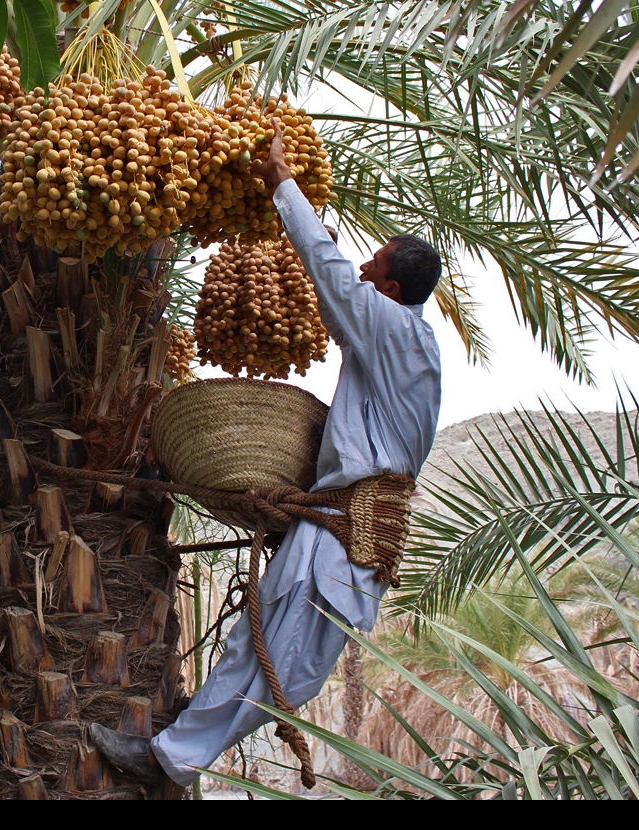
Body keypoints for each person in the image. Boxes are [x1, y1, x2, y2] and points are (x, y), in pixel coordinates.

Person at [89, 121, 444, 787]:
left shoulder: (396, 331)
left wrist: (282, 181)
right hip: (333, 533)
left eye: (374, 266)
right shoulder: (402, 346)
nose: (362, 269)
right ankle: (173, 753)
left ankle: (170, 759)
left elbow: (332, 276)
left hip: (345, 539)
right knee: (262, 653)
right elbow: (338, 293)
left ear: (392, 291)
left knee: (287, 665)